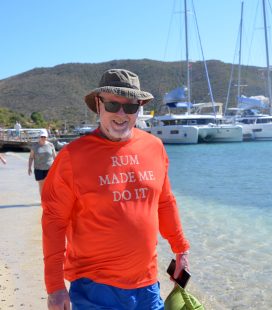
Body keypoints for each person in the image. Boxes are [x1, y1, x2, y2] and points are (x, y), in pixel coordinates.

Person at [41, 69, 190, 310]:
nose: (121, 114)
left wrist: (181, 249)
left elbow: (164, 202)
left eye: (130, 107)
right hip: (94, 287)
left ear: (139, 108)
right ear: (98, 105)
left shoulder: (154, 147)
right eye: (112, 104)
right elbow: (53, 222)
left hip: (147, 284)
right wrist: (55, 286)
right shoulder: (72, 157)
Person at [28, 129, 56, 196]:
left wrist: (57, 167)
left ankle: (48, 199)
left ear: (47, 137)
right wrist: (29, 167)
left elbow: (55, 157)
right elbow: (31, 157)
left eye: (44, 137)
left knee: (49, 184)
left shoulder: (51, 145)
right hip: (38, 169)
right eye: (42, 136)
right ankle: (43, 200)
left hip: (49, 168)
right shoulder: (35, 146)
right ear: (39, 137)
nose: (43, 138)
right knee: (41, 184)